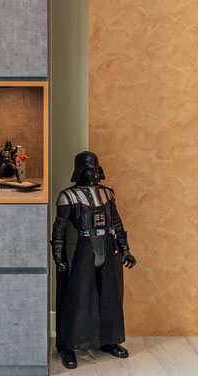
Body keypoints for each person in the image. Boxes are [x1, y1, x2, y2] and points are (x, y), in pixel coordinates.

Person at [51, 151, 136, 370]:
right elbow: (59, 229)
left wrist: (126, 250)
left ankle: (108, 340)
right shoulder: (68, 196)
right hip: (82, 250)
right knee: (77, 298)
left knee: (109, 297)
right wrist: (59, 258)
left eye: (96, 169)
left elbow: (117, 223)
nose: (95, 174)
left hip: (107, 247)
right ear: (80, 171)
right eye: (90, 170)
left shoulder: (107, 193)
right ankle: (68, 345)